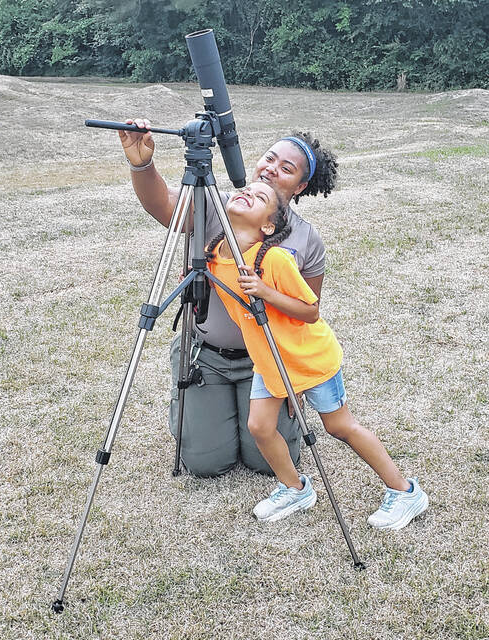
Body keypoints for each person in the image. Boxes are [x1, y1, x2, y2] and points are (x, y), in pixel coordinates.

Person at [119, 120, 337, 476]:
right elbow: (166, 207)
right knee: (206, 463)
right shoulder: (221, 205)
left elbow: (307, 313)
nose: (270, 169)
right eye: (269, 159)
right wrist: (141, 164)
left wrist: (295, 378)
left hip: (266, 362)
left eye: (286, 168)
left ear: (300, 186)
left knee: (266, 462)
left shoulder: (307, 240)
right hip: (207, 357)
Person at [206, 180, 429, 528]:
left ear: (268, 225)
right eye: (245, 189)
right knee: (260, 427)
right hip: (270, 362)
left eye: (260, 196)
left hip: (311, 360)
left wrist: (264, 291)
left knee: (340, 426)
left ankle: (405, 491)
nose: (247, 192)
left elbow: (310, 310)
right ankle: (295, 488)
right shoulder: (215, 253)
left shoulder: (274, 259)